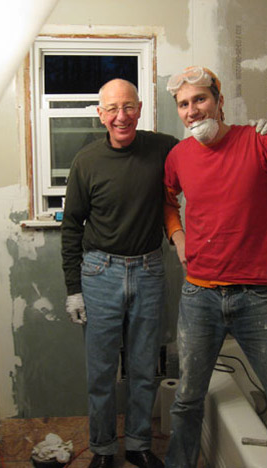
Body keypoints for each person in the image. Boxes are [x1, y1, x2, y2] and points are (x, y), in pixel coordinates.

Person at [163, 66, 267, 468]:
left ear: (219, 101)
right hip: (199, 295)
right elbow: (167, 202)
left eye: (200, 99)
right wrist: (178, 236)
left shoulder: (260, 141)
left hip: (258, 298)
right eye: (183, 104)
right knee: (187, 399)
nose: (192, 111)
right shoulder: (178, 156)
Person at [62, 78, 177, 468]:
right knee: (101, 374)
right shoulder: (86, 162)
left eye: (128, 107)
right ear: (100, 115)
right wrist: (73, 289)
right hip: (100, 274)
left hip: (148, 269)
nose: (121, 116)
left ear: (140, 108)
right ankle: (104, 450)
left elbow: (209, 155)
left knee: (145, 369)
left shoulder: (164, 148)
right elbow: (71, 227)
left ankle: (139, 445)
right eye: (112, 109)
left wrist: (251, 134)